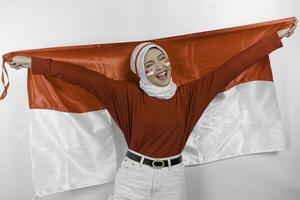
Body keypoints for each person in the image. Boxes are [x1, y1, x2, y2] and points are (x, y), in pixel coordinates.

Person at [7, 24, 296, 200]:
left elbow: (233, 66)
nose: (160, 67)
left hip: (173, 180)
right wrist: (33, 63)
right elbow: (81, 77)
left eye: (163, 59)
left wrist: (274, 39)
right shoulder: (126, 96)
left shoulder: (190, 95)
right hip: (135, 177)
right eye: (150, 64)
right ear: (141, 72)